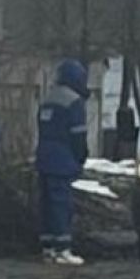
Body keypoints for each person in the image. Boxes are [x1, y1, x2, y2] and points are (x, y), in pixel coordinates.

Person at [35, 59, 90, 265]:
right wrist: (81, 156)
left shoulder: (47, 100)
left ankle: (48, 247)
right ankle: (63, 248)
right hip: (62, 158)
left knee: (46, 204)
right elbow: (78, 135)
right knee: (61, 204)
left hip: (44, 157)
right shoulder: (74, 102)